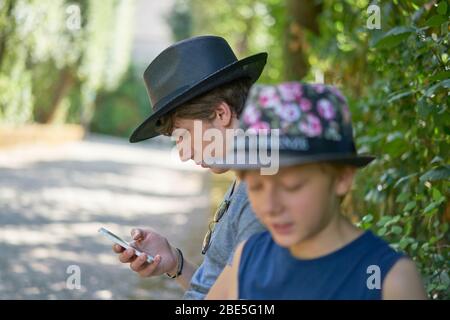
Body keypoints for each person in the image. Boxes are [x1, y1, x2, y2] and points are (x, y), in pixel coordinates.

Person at [207, 82, 427, 299]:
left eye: (292, 186)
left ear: (342, 177)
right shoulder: (248, 258)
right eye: (255, 187)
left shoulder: (388, 279)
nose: (270, 206)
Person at [112, 35, 267, 299]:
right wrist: (175, 264)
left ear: (221, 114)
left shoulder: (264, 194)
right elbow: (221, 292)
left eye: (183, 136)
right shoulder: (248, 177)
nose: (183, 154)